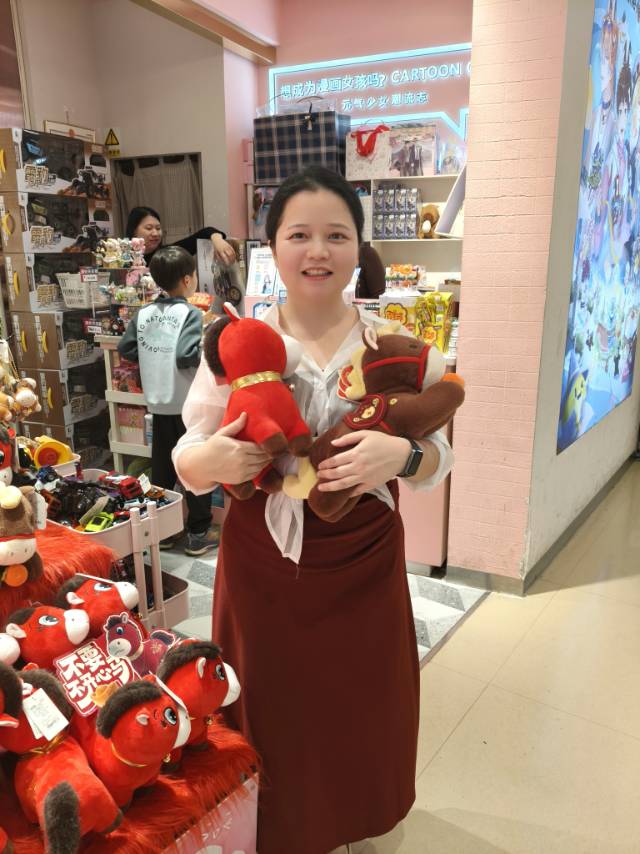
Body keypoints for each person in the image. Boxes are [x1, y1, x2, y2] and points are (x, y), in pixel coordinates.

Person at [173, 167, 455, 854]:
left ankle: (346, 821)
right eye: (299, 235)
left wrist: (401, 458)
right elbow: (188, 453)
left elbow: (439, 456)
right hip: (262, 563)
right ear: (273, 246)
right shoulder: (235, 342)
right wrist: (212, 462)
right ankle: (271, 828)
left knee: (360, 704)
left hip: (364, 562)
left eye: (337, 234)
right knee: (268, 706)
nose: (318, 251)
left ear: (360, 247)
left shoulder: (393, 346)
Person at [118, 246, 219, 556]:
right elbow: (186, 355)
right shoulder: (190, 313)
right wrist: (207, 344)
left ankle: (163, 531)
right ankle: (198, 533)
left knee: (162, 469)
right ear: (188, 280)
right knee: (195, 468)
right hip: (186, 403)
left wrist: (153, 358)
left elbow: (126, 348)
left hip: (158, 402)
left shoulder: (144, 313)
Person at [125, 205, 237, 266]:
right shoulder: (122, 259)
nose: (155, 233)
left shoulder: (167, 254)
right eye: (149, 228)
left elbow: (205, 233)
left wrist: (218, 240)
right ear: (134, 231)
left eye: (158, 228)